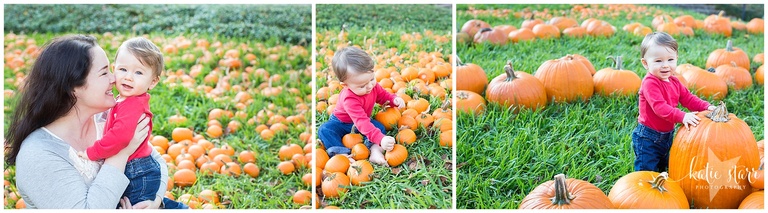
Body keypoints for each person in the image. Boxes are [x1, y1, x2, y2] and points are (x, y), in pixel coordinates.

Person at [3, 35, 170, 209]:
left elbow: (156, 162)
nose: (114, 79)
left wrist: (154, 202)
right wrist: (120, 153)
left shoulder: (105, 118)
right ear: (73, 87)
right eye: (105, 72)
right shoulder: (38, 154)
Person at [77, 37, 167, 208]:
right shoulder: (124, 100)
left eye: (138, 73)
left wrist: (93, 153)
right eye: (123, 69)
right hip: (135, 168)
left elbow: (120, 138)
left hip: (139, 173)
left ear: (153, 82)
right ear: (114, 69)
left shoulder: (132, 105)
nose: (128, 77)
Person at [632, 32, 716, 172]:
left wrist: (706, 107)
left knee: (664, 167)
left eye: (670, 60)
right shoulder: (649, 83)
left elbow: (688, 98)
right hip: (648, 137)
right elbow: (660, 108)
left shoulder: (675, 81)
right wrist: (683, 116)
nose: (665, 65)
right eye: (658, 61)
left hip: (667, 135)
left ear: (676, 58)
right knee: (647, 170)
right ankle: (643, 187)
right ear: (645, 63)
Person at [318, 46, 405, 166]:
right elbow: (361, 122)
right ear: (345, 85)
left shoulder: (372, 86)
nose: (369, 86)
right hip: (341, 122)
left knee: (379, 127)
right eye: (362, 86)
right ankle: (341, 155)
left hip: (361, 120)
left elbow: (382, 95)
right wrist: (380, 138)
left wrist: (393, 99)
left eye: (371, 79)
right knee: (325, 130)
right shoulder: (349, 98)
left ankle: (375, 151)